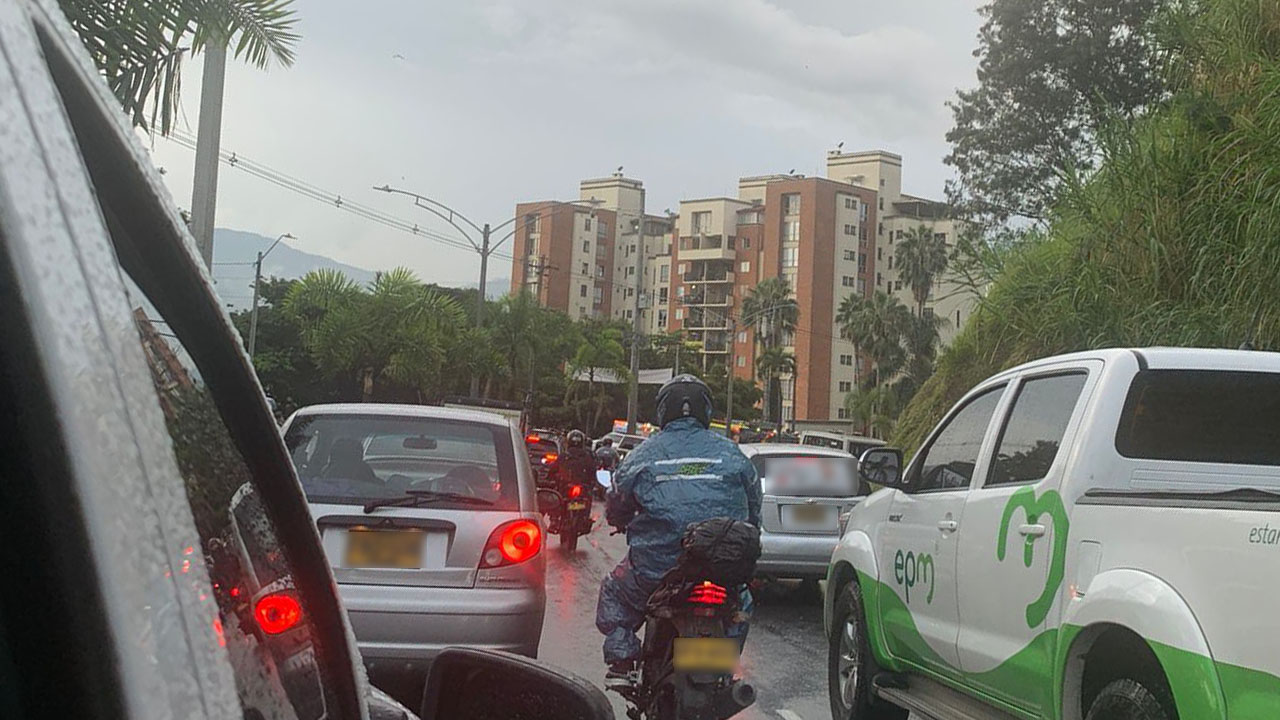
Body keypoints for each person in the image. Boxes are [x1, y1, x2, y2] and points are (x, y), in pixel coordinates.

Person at [596, 375, 762, 684]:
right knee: (741, 602)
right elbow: (754, 509)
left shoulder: (643, 454)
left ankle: (622, 660)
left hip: (657, 569)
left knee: (615, 593)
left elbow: (617, 499)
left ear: (663, 410)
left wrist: (619, 520)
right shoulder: (733, 455)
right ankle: (723, 671)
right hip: (721, 570)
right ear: (706, 410)